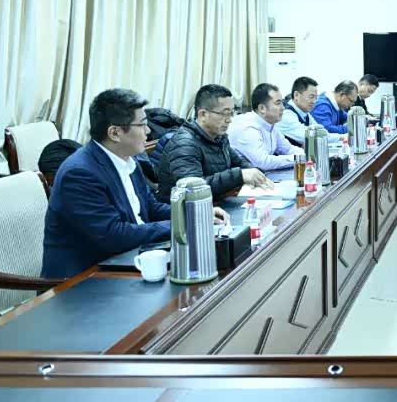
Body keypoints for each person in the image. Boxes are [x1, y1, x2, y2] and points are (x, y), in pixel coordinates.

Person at [42, 89, 227, 278]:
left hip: (127, 261)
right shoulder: (79, 174)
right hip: (84, 279)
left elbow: (150, 207)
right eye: (142, 124)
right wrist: (184, 224)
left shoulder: (128, 159)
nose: (148, 131)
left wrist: (194, 213)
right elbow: (114, 235)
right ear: (115, 133)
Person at [155, 84, 274, 201]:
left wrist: (253, 172)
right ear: (203, 114)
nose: (229, 120)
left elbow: (239, 163)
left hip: (217, 201)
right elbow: (194, 190)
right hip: (183, 210)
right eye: (224, 113)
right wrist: (240, 175)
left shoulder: (218, 136)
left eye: (231, 113)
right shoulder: (184, 144)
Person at [229, 83, 304, 171]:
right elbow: (263, 163)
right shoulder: (248, 128)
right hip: (242, 176)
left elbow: (288, 149)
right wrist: (298, 158)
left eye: (282, 103)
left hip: (261, 174)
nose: (283, 108)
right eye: (278, 103)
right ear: (262, 108)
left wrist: (303, 156)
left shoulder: (271, 124)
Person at [278, 76, 319, 145]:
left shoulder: (305, 114)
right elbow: (307, 136)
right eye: (311, 97)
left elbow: (321, 132)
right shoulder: (286, 114)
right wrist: (338, 137)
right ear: (296, 95)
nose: (314, 101)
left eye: (316, 97)